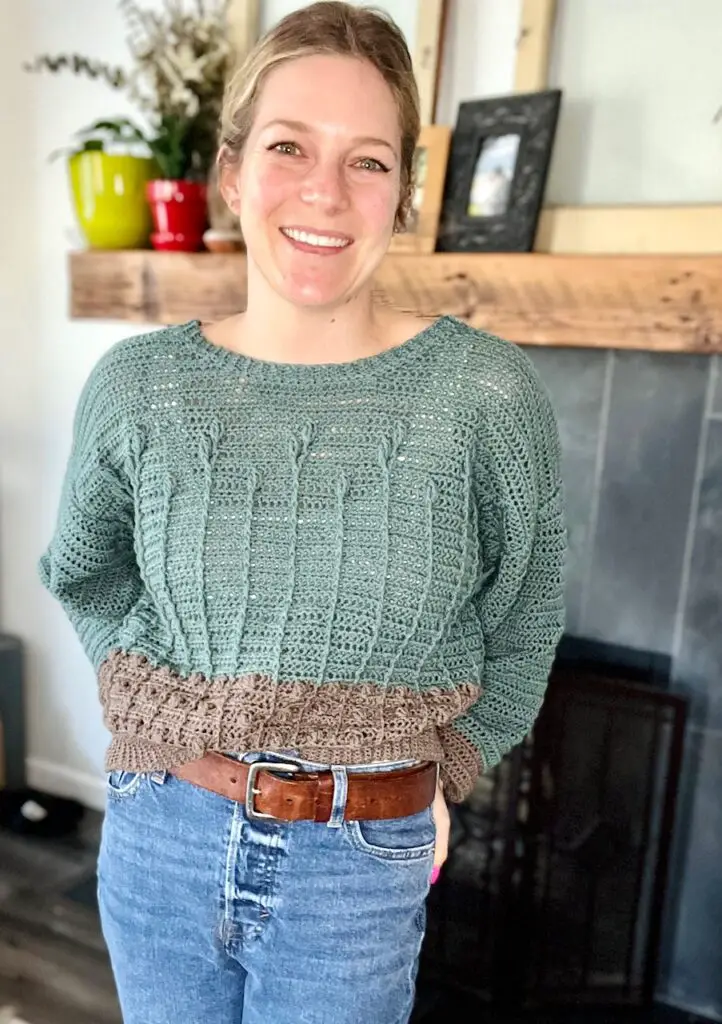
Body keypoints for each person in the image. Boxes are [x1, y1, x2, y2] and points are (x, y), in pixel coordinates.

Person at [37, 3, 566, 1022]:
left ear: (403, 193)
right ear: (231, 171)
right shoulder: (140, 386)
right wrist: (146, 712)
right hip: (162, 835)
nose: (324, 191)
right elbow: (88, 574)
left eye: (367, 161)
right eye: (288, 147)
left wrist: (448, 766)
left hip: (356, 869)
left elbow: (528, 612)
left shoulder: (482, 397)